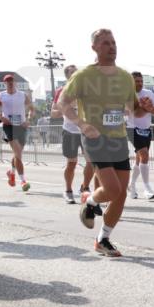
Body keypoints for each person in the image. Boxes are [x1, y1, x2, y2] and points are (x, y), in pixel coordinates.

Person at [56, 28, 151, 257]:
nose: (112, 46)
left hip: (118, 138)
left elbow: (133, 111)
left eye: (114, 42)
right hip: (95, 138)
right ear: (94, 48)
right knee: (111, 189)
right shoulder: (83, 76)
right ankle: (89, 199)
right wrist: (81, 124)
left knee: (120, 195)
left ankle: (103, 239)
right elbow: (63, 103)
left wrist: (143, 108)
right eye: (106, 43)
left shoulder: (125, 76)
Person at [52, 64, 95, 203]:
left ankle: (85, 187)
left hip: (86, 131)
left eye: (77, 72)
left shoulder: (86, 90)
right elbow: (53, 113)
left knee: (92, 162)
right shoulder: (62, 91)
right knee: (72, 163)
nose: (76, 75)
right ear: (67, 76)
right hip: (70, 131)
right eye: (73, 73)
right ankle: (68, 190)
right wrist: (67, 107)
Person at [0, 74, 34, 192]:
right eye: (7, 81)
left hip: (22, 127)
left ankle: (12, 173)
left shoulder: (23, 95)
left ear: (15, 83)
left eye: (12, 81)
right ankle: (23, 180)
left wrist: (28, 120)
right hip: (8, 127)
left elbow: (32, 108)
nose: (10, 83)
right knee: (18, 153)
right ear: (5, 83)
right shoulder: (1, 96)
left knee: (17, 154)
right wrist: (1, 118)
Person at [126, 71, 154, 199]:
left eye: (141, 81)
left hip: (146, 129)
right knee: (144, 155)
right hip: (132, 128)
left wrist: (149, 108)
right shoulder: (127, 95)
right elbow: (130, 112)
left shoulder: (149, 93)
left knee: (140, 159)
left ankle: (132, 185)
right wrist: (142, 107)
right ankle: (147, 188)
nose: (139, 83)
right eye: (137, 81)